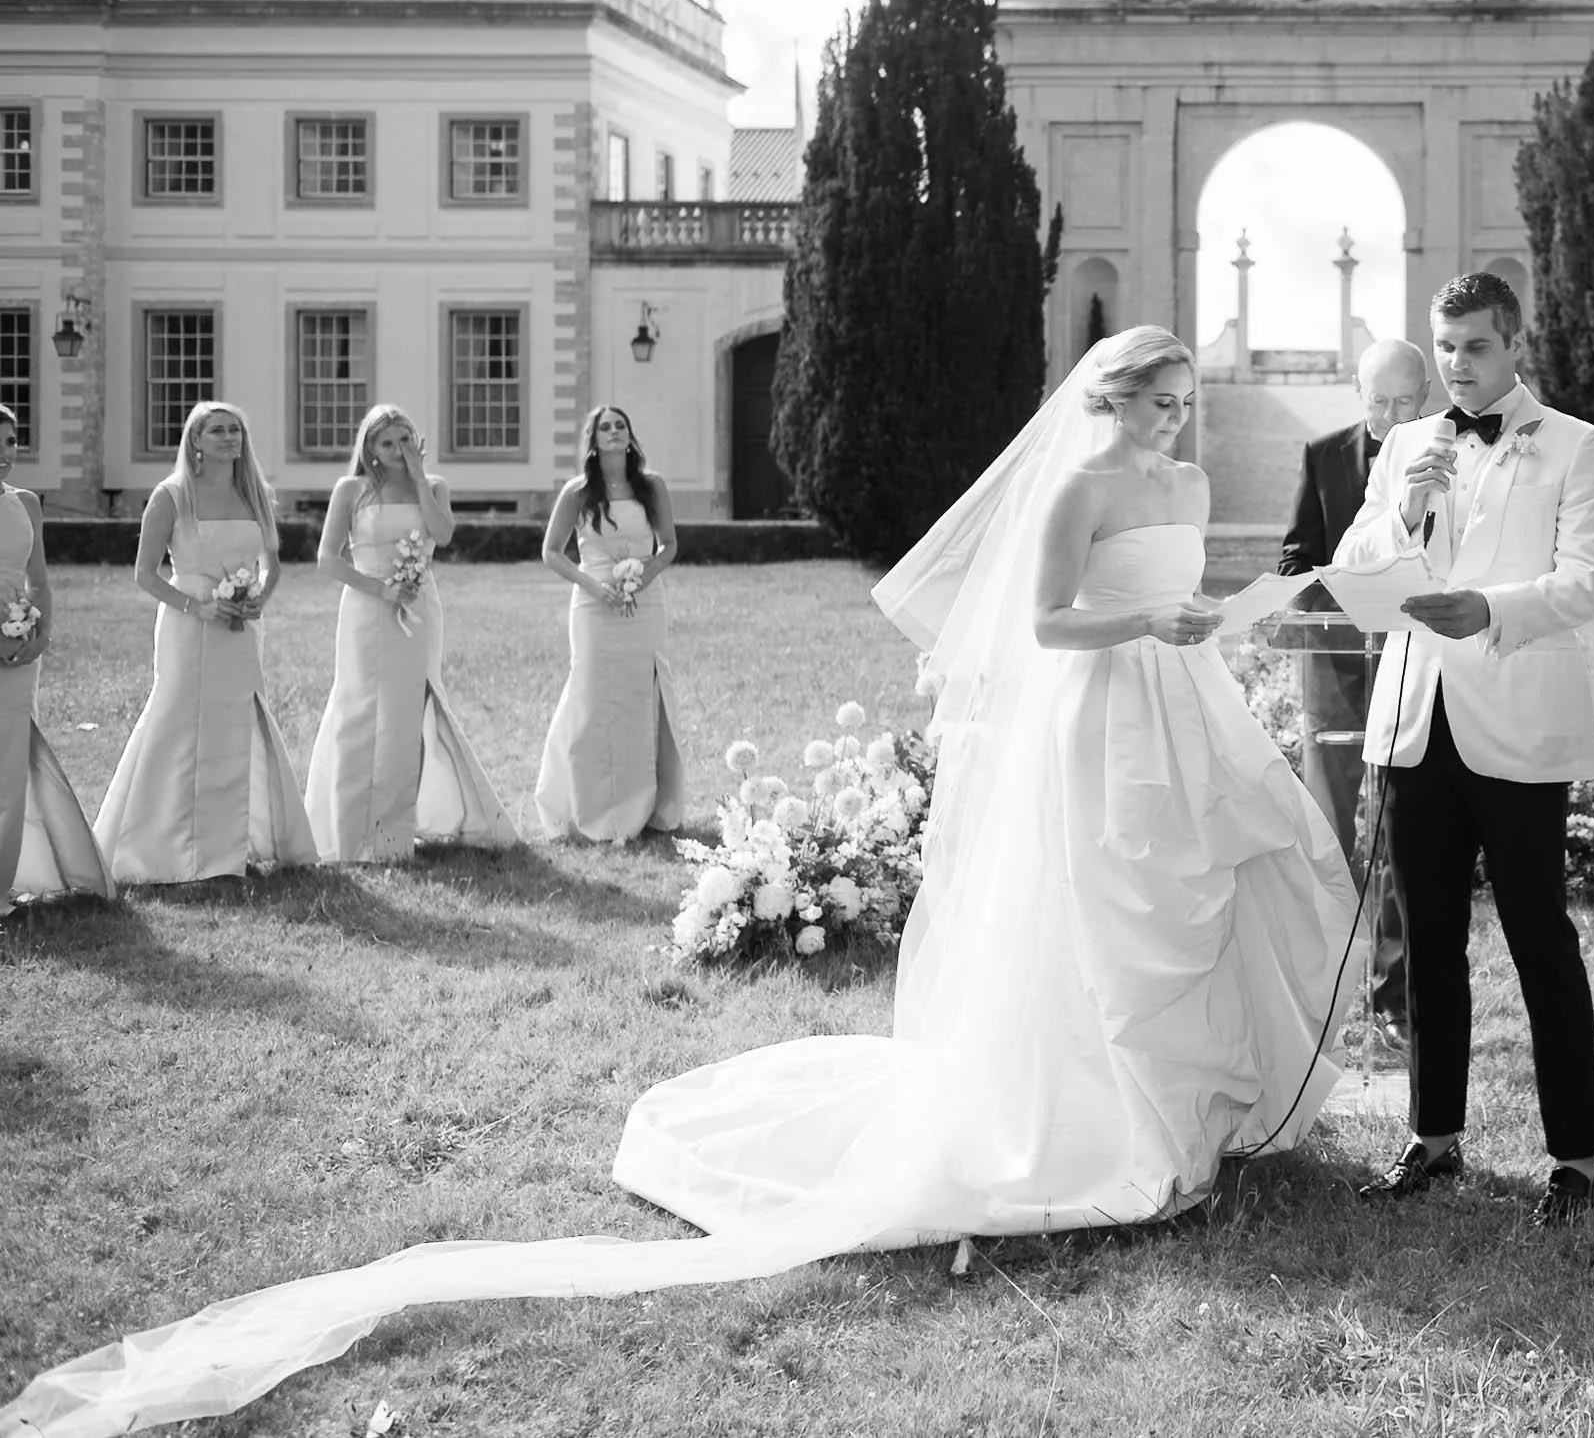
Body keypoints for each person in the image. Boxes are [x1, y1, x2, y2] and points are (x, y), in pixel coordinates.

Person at [0, 328, 1361, 1438]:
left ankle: (1198, 1098)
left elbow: (1193, 585)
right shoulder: (1080, 487)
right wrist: (1146, 618)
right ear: (1107, 402)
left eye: (1188, 402)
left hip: (1180, 707)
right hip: (1098, 711)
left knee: (1210, 887)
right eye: (1158, 401)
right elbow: (1048, 622)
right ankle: (1101, 1114)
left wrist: (1217, 616)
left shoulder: (1182, 492)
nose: (1177, 424)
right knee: (1106, 917)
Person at [1335, 271, 1594, 1228]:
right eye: (1445, 347)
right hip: (1417, 721)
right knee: (1427, 944)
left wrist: (1490, 608)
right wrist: (1405, 513)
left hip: (1520, 722)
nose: (1457, 365)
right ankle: (1434, 1135)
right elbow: (1360, 568)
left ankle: (1574, 1158)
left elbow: (1585, 583)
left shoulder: (1577, 444)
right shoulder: (1405, 442)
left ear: (1515, 342)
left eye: (1476, 346)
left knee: (1543, 940)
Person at [93, 402, 318, 885]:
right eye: (216, 430)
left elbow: (272, 566)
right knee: (177, 722)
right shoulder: (171, 495)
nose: (228, 437)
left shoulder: (253, 492)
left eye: (235, 429)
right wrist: (198, 608)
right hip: (187, 623)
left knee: (236, 726)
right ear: (195, 441)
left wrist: (258, 599)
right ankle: (157, 847)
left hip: (241, 628)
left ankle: (228, 850)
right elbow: (144, 574)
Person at [1278, 335, 1430, 1039]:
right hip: (1335, 667)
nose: (1392, 416)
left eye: (1405, 400)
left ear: (1424, 398)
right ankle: (1324, 991)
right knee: (1328, 827)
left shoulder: (1450, 454)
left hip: (1414, 663)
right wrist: (1313, 594)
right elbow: (1296, 554)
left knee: (1405, 831)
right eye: (1379, 401)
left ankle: (1395, 994)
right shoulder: (1323, 454)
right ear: (1356, 392)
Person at [304, 405, 517, 862]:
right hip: (366, 608)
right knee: (359, 710)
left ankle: (395, 834)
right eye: (388, 443)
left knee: (407, 715)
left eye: (406, 439)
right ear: (370, 450)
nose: (399, 450)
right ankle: (347, 829)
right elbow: (328, 557)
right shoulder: (352, 490)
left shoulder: (434, 486)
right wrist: (381, 590)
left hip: (420, 609)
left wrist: (421, 479)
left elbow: (441, 534)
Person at [534, 406, 684, 841]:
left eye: (620, 426)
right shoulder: (578, 492)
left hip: (645, 604)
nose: (614, 432)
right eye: (605, 427)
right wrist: (595, 586)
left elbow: (669, 545)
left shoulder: (651, 486)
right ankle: (587, 803)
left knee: (641, 695)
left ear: (629, 436)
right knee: (593, 697)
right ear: (593, 440)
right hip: (593, 605)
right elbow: (552, 552)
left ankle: (647, 805)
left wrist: (642, 578)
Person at [0, 403, 109, 907]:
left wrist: (39, 636)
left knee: (9, 771)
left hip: (18, 654)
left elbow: (38, 580)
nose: (5, 454)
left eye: (11, 442)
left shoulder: (26, 503)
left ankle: (1, 888)